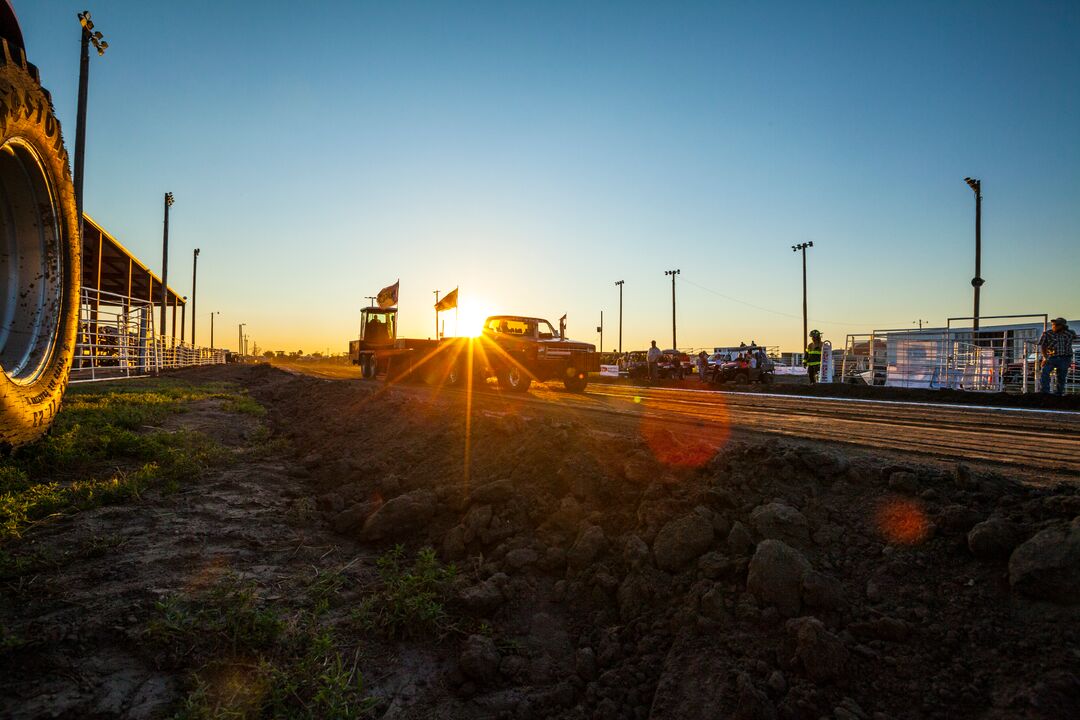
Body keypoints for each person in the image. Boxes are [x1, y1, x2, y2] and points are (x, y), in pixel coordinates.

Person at [1038, 317, 1076, 396]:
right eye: (1053, 324)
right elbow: (1043, 346)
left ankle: (1059, 393)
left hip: (1065, 357)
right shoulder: (1047, 334)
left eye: (1057, 325)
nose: (1054, 326)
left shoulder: (1069, 333)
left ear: (1062, 326)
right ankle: (1045, 392)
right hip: (1051, 357)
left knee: (1061, 376)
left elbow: (1074, 335)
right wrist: (1045, 357)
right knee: (1045, 372)